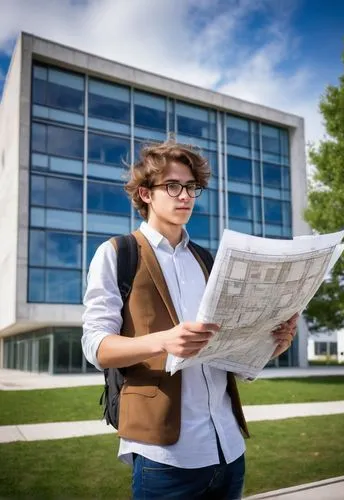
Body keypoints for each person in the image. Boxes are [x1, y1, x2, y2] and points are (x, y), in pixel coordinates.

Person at [82, 141, 298, 500]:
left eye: (192, 187)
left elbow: (228, 348)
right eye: (172, 186)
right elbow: (96, 346)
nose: (185, 196)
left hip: (228, 448)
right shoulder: (117, 253)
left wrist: (272, 344)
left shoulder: (209, 261)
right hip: (165, 456)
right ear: (144, 194)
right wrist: (163, 341)